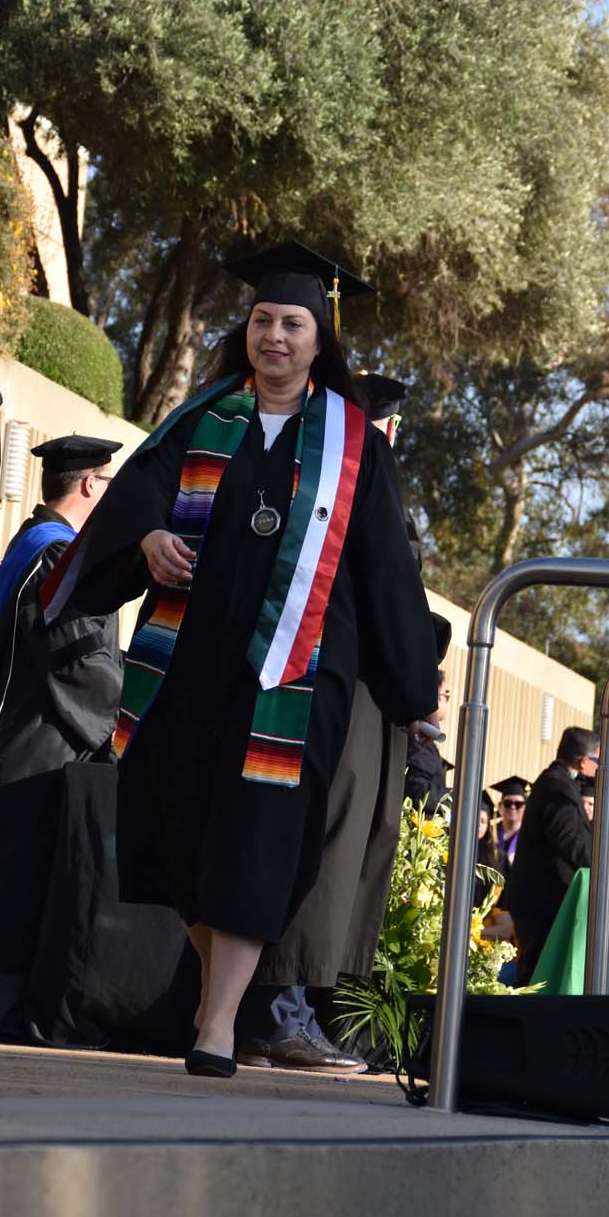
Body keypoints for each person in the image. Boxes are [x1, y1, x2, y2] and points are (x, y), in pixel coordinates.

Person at [44, 242, 441, 1076]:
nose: (275, 337)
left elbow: (386, 570)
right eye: (263, 320)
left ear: (319, 339)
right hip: (190, 663)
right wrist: (149, 539)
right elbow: (137, 497)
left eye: (293, 323)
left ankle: (219, 1024)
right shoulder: (201, 418)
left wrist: (413, 683)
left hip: (296, 675)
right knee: (182, 830)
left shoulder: (354, 443)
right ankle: (212, 1002)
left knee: (255, 839)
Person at [240, 372, 438, 1074]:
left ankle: (303, 1014)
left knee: (342, 849)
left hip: (346, 686)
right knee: (324, 848)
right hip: (343, 688)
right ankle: (280, 1014)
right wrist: (420, 687)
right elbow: (387, 596)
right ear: (385, 430)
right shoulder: (352, 476)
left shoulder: (315, 472)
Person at [0, 435, 124, 1043]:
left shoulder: (27, 545)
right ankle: (1, 1009)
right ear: (89, 484)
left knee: (15, 874)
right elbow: (78, 659)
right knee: (26, 878)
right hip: (42, 743)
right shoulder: (56, 555)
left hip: (22, 739)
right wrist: (127, 712)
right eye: (109, 483)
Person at [503, 727, 599, 986]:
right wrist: (603, 865)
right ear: (584, 761)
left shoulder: (554, 781)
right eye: (597, 760)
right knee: (536, 975)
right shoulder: (558, 786)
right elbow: (569, 838)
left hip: (539, 900)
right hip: (541, 900)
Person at [404, 671, 450, 811]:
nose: (448, 701)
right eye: (446, 695)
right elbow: (419, 792)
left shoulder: (422, 738)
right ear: (433, 696)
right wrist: (453, 797)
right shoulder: (418, 739)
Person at [492, 775, 529, 870]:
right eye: (508, 803)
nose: (513, 807)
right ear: (500, 807)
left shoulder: (530, 837)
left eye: (518, 804)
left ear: (526, 809)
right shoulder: (488, 834)